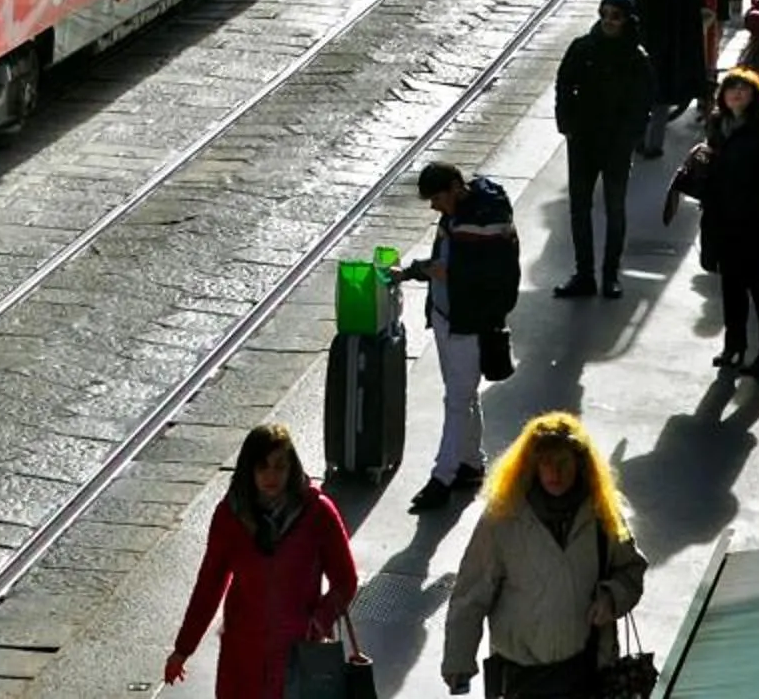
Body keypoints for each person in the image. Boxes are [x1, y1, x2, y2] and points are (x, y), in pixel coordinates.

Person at [441, 411, 648, 698]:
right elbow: (471, 593)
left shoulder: (601, 515)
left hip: (584, 672)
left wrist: (611, 598)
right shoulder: (504, 518)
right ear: (532, 466)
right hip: (520, 676)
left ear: (579, 463)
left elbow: (631, 569)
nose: (554, 473)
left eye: (562, 462)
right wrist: (458, 660)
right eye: (546, 463)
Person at [163, 422, 359, 699]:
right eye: (262, 466)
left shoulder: (317, 513)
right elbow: (209, 586)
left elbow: (345, 581)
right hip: (242, 657)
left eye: (280, 466)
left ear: (292, 468)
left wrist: (317, 622)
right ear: (248, 470)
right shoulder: (230, 515)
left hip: (298, 656)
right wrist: (183, 649)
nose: (272, 476)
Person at [398, 162, 520, 514]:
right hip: (447, 317)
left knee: (458, 399)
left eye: (437, 198)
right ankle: (470, 463)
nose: (434, 206)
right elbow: (446, 262)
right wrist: (415, 271)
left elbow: (475, 272)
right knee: (462, 395)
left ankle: (443, 476)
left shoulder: (485, 219)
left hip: (468, 322)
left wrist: (430, 271)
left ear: (455, 187)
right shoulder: (464, 212)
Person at [689, 67, 759, 385]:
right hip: (723, 221)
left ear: (755, 94)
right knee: (731, 286)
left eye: (743, 89)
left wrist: (758, 207)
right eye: (731, 88)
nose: (736, 93)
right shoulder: (718, 125)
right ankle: (734, 346)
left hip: (756, 224)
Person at [553, 0, 654, 300]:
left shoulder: (637, 58)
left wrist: (630, 136)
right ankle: (584, 274)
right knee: (579, 209)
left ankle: (610, 275)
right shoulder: (582, 47)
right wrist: (566, 123)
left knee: (615, 208)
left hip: (616, 145)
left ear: (627, 20)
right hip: (583, 140)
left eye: (616, 16)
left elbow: (643, 102)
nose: (609, 21)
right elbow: (564, 83)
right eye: (606, 14)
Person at [611, 0, 708, 159]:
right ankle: (654, 143)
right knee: (663, 87)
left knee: (636, 85)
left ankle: (637, 136)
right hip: (671, 29)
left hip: (638, 28)